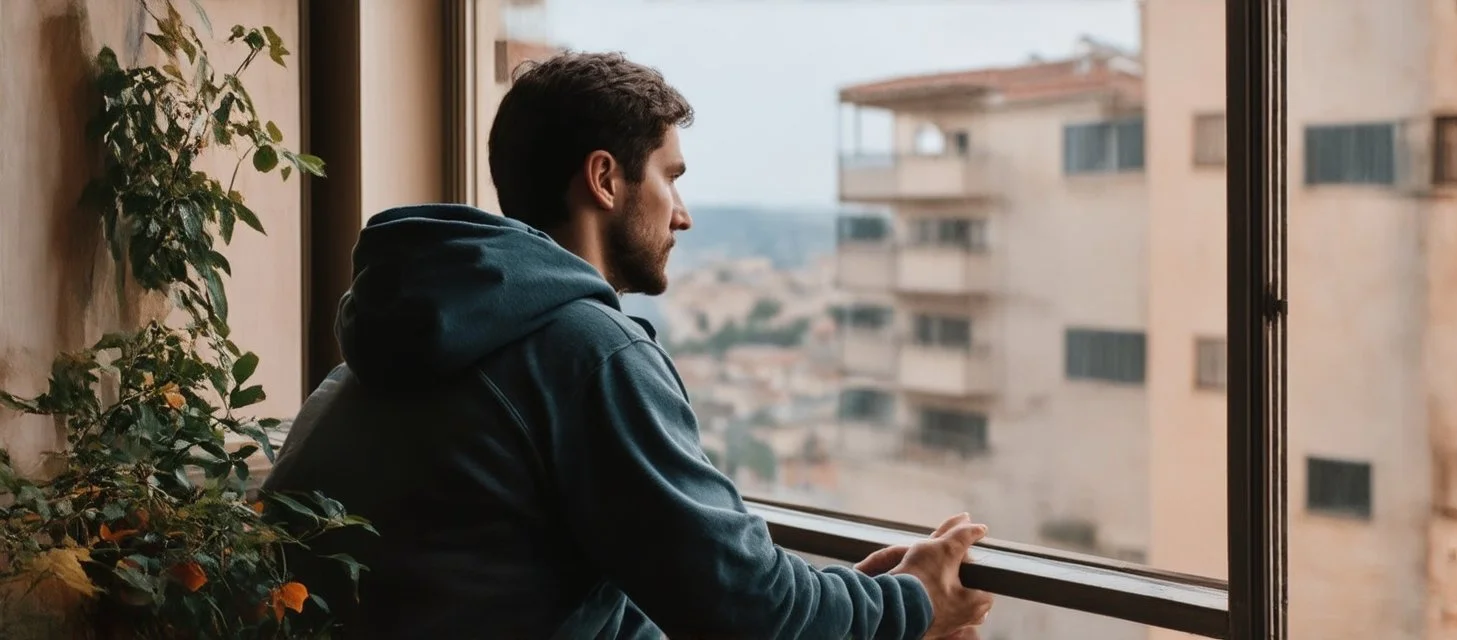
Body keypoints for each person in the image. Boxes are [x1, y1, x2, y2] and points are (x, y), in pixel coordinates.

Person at [264, 51, 993, 639]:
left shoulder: (411, 334)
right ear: (606, 178)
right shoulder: (584, 350)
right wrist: (917, 602)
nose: (683, 215)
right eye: (671, 178)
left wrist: (849, 603)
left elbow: (616, 592)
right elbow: (747, 612)